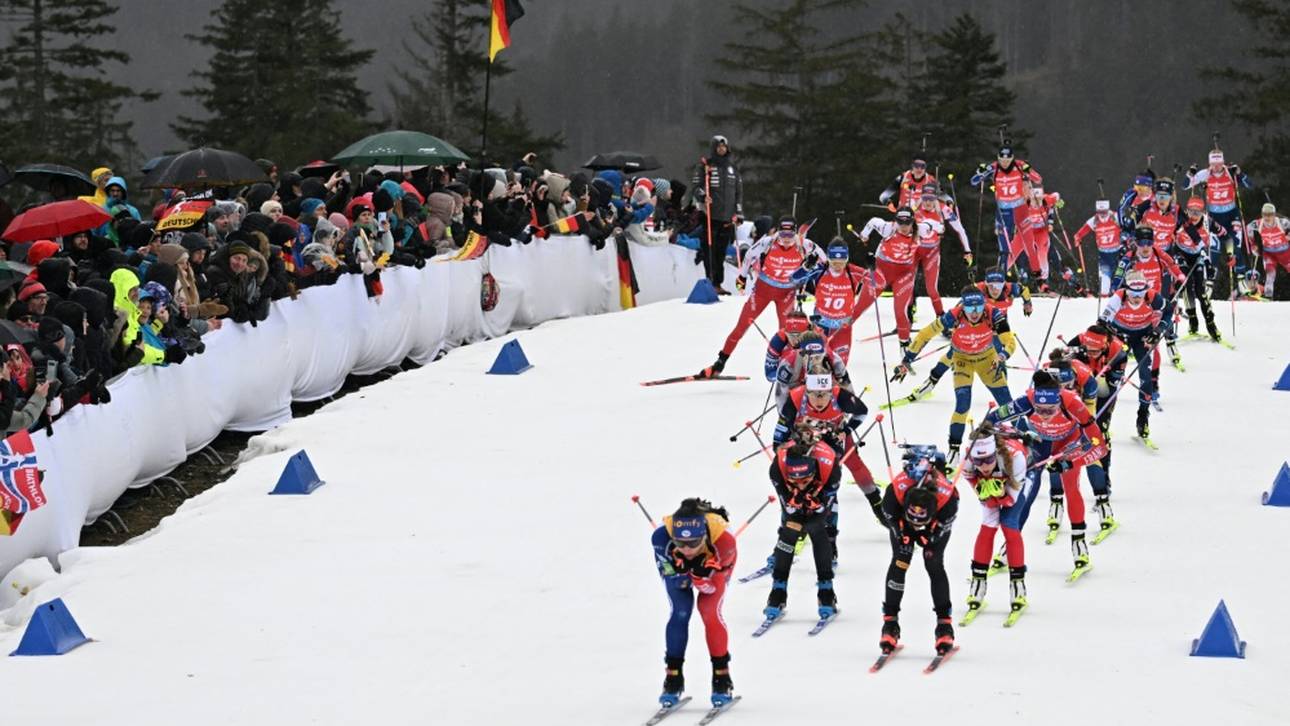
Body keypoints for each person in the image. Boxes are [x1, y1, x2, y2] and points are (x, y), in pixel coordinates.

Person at [983, 371, 1110, 578]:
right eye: (1039, 409)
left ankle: (1079, 545)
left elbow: (1099, 448)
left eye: (1050, 410)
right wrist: (984, 431)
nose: (1043, 414)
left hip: (1068, 443)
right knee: (1025, 493)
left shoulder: (1073, 403)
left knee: (1071, 487)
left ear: (1059, 402)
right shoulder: (1027, 400)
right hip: (1039, 443)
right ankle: (1010, 543)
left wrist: (1071, 462)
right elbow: (995, 417)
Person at [891, 286, 1016, 463]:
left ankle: (1026, 437)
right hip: (962, 360)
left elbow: (1010, 341)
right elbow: (925, 334)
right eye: (970, 308)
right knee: (963, 404)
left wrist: (1002, 355)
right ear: (962, 306)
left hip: (988, 360)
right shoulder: (954, 315)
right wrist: (907, 359)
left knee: (1007, 402)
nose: (975, 312)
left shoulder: (993, 314)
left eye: (979, 307)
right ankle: (954, 449)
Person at [700, 218, 821, 378]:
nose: (786, 238)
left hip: (786, 294)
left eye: (790, 234)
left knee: (788, 333)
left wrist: (813, 269)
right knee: (741, 328)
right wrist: (741, 278)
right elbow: (749, 255)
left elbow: (825, 261)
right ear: (778, 232)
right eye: (783, 234)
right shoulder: (768, 243)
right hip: (762, 292)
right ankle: (719, 364)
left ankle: (791, 368)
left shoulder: (804, 245)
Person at [651, 498, 737, 709]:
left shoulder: (724, 541)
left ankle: (721, 676)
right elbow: (669, 574)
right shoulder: (661, 537)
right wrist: (680, 573)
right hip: (676, 567)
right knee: (680, 611)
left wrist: (701, 577)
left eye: (693, 543)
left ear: (705, 536)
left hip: (714, 564)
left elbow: (711, 588)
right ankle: (673, 677)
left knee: (709, 611)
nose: (687, 549)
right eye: (681, 543)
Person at [903, 267, 1031, 403]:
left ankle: (1004, 397)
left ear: (1004, 283)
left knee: (999, 361)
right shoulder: (977, 291)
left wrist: (1027, 303)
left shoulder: (1011, 289)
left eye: (999, 285)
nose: (995, 289)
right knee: (950, 357)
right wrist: (951, 326)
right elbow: (960, 308)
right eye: (991, 285)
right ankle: (929, 384)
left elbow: (1025, 290)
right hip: (972, 331)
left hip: (996, 330)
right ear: (986, 283)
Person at [773, 370, 882, 527]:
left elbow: (862, 412)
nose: (820, 400)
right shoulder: (796, 397)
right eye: (814, 394)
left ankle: (878, 506)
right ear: (806, 391)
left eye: (825, 394)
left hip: (834, 437)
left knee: (849, 466)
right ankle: (794, 522)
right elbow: (782, 426)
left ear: (831, 392)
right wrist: (779, 449)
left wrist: (847, 431)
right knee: (798, 478)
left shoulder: (840, 396)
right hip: (803, 440)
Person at [878, 445, 958, 655]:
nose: (916, 524)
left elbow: (940, 530)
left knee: (933, 561)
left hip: (935, 523)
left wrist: (930, 535)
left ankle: (944, 625)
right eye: (913, 519)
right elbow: (890, 518)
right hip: (901, 519)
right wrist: (902, 531)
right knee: (900, 559)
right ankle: (890, 623)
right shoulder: (894, 493)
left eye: (920, 521)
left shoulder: (948, 499)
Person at [763, 427, 842, 622]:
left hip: (822, 487)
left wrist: (816, 505)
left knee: (817, 528)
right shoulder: (777, 469)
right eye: (794, 480)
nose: (799, 484)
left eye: (804, 480)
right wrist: (794, 503)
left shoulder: (830, 468)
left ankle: (826, 591)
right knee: (790, 530)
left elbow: (825, 507)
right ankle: (778, 591)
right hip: (796, 485)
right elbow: (787, 504)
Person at [961, 429, 1031, 621]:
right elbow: (975, 484)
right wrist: (985, 492)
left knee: (1009, 524)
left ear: (995, 454)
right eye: (979, 462)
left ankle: (1018, 587)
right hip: (994, 483)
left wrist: (999, 495)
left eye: (989, 460)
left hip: (1018, 478)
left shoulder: (1015, 458)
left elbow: (1011, 500)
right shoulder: (967, 458)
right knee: (988, 524)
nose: (983, 466)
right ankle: (978, 585)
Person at [792, 237, 881, 363]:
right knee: (814, 366)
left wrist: (873, 268)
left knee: (839, 368)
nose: (838, 266)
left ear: (847, 259)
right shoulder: (820, 270)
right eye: (834, 262)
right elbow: (794, 279)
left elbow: (878, 283)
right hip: (820, 325)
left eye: (841, 262)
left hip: (842, 328)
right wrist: (806, 266)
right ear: (828, 259)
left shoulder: (853, 272)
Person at [1100, 271, 1165, 440]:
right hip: (1121, 335)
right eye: (1132, 294)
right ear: (1126, 290)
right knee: (1113, 377)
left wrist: (1158, 330)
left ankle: (1143, 417)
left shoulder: (1152, 297)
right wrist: (1109, 335)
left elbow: (1169, 311)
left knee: (1145, 374)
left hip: (1141, 337)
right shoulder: (1118, 297)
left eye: (1140, 294)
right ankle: (1104, 420)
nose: (1136, 298)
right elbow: (1102, 322)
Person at [1113, 227, 1185, 366]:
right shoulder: (1129, 257)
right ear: (1136, 243)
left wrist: (1180, 277)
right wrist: (1115, 289)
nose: (1145, 247)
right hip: (1136, 298)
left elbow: (1172, 265)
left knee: (1164, 317)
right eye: (1141, 243)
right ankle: (1133, 347)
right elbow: (1118, 274)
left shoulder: (1159, 253)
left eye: (1148, 242)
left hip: (1155, 296)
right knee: (1136, 323)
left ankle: (1171, 346)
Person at [1185, 149, 1254, 288]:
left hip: (1231, 214)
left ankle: (1241, 278)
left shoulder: (1229, 172)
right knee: (1214, 249)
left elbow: (1250, 185)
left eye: (1219, 163)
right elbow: (1185, 185)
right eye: (1213, 164)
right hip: (1214, 216)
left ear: (1223, 162)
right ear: (1210, 163)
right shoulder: (1205, 174)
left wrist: (1239, 173)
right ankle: (1209, 282)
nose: (1216, 167)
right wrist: (1189, 174)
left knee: (1235, 245)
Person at [858, 206, 925, 348]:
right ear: (896, 221)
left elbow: (938, 226)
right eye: (900, 223)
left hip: (904, 274)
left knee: (900, 311)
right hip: (882, 270)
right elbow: (873, 221)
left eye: (908, 223)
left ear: (913, 221)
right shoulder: (888, 228)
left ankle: (905, 345)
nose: (904, 227)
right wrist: (865, 234)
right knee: (860, 307)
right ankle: (835, 334)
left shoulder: (921, 230)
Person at [969, 145, 1039, 276]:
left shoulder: (1019, 166)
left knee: (1028, 243)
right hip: (1003, 212)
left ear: (1012, 158)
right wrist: (980, 172)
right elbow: (973, 181)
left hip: (1020, 209)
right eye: (1002, 160)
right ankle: (1001, 276)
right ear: (998, 158)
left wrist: (1028, 170)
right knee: (1004, 248)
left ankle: (1037, 275)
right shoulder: (994, 168)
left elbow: (1038, 179)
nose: (1005, 163)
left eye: (1008, 160)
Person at [691, 135, 743, 292]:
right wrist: (702, 196)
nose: (722, 149)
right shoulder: (705, 165)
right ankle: (711, 282)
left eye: (724, 147)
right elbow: (695, 185)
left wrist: (739, 213)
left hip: (727, 218)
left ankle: (718, 284)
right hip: (710, 217)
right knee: (710, 252)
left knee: (721, 252)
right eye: (719, 147)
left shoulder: (733, 169)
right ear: (714, 148)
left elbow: (739, 193)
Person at [911, 184, 971, 318]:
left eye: (931, 199)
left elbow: (960, 230)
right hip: (914, 250)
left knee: (932, 289)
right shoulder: (914, 207)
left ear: (936, 198)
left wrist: (967, 251)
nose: (927, 202)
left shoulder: (943, 209)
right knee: (908, 284)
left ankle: (941, 318)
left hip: (932, 252)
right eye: (925, 198)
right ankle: (907, 317)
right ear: (921, 197)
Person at [1173, 197, 1224, 339]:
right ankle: (1193, 320)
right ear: (1186, 211)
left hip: (1198, 256)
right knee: (1186, 285)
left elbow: (1226, 236)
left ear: (1203, 212)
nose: (1194, 216)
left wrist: (1231, 253)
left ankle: (1211, 324)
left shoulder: (1208, 222)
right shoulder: (1181, 221)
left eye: (1198, 212)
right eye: (1191, 212)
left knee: (1201, 291)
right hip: (1181, 253)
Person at [1011, 181, 1062, 289]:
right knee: (1023, 252)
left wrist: (1052, 220)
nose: (1037, 203)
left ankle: (1044, 281)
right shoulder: (1025, 202)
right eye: (1034, 200)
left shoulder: (1046, 200)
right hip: (1028, 231)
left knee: (1042, 253)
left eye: (1039, 200)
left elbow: (1056, 197)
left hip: (1041, 231)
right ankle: (1022, 277)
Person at [1073, 199, 1125, 296]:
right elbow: (1080, 232)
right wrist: (1077, 238)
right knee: (1104, 287)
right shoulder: (1094, 220)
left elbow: (1128, 227)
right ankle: (1104, 301)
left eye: (1104, 212)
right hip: (1104, 256)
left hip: (1119, 254)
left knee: (1121, 281)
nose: (1102, 215)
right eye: (1100, 212)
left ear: (1108, 209)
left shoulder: (1116, 216)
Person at [1246, 202, 1290, 299]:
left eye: (1269, 215)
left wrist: (1288, 236)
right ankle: (1268, 298)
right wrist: (1253, 244)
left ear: (1274, 214)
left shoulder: (1282, 223)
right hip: (1269, 253)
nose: (1267, 217)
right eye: (1264, 214)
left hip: (1285, 253)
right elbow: (1248, 228)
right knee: (1270, 276)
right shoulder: (1258, 223)